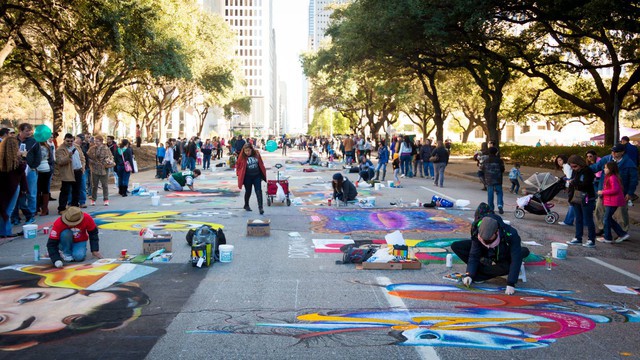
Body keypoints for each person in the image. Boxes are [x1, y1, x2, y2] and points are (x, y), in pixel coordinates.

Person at [451, 213, 529, 295]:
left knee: (512, 263)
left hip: (502, 254)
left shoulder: (511, 234)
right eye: (484, 240)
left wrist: (511, 283)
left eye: (489, 241)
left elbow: (515, 259)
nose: (488, 243)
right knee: (456, 246)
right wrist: (470, 274)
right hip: (485, 251)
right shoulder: (476, 229)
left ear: (497, 232)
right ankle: (478, 272)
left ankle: (479, 275)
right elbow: (474, 255)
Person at [590, 143, 638, 238]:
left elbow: (633, 179)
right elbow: (596, 167)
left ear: (622, 152)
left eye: (616, 152)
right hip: (604, 191)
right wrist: (584, 169)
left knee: (621, 213)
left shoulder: (629, 163)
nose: (613, 153)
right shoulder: (606, 159)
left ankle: (623, 231)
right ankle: (602, 227)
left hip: (620, 193)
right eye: (612, 151)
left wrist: (630, 192)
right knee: (599, 210)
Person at [12, 123, 40, 225]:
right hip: (17, 170)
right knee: (17, 193)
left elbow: (38, 156)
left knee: (31, 193)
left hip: (30, 170)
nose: (29, 133)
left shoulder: (33, 142)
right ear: (20, 131)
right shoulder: (14, 141)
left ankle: (31, 214)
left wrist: (33, 166)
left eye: (30, 131)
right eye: (26, 131)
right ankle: (15, 216)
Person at [566, 154, 597, 248]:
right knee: (578, 218)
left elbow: (586, 184)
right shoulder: (575, 172)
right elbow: (573, 183)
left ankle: (591, 239)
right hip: (577, 196)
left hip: (587, 196)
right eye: (571, 167)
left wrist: (574, 182)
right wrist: (570, 197)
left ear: (580, 164)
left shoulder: (588, 171)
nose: (573, 168)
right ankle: (578, 238)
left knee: (588, 219)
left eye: (575, 166)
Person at [597, 161, 630, 244]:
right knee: (608, 218)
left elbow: (615, 190)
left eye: (606, 168)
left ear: (611, 169)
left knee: (606, 218)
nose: (604, 169)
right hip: (611, 201)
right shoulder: (610, 177)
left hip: (613, 201)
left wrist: (603, 192)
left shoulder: (612, 177)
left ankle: (608, 237)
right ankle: (622, 234)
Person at [0, 137, 27, 238]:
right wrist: (23, 157)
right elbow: (22, 170)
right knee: (8, 210)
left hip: (2, 187)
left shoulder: (2, 159)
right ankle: (6, 232)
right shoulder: (16, 161)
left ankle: (3, 231)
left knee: (2, 209)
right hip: (13, 187)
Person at [55, 133, 85, 214]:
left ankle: (74, 207)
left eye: (71, 141)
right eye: (68, 141)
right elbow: (60, 161)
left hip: (78, 171)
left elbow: (82, 157)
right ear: (64, 140)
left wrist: (82, 167)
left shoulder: (77, 147)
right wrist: (69, 156)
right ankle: (61, 208)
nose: (70, 142)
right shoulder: (60, 149)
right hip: (67, 172)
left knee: (76, 190)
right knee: (65, 191)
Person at [236, 143, 267, 214]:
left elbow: (261, 163)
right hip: (247, 177)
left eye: (248, 151)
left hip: (257, 176)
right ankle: (246, 205)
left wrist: (262, 174)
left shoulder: (256, 153)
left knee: (258, 191)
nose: (247, 152)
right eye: (245, 151)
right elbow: (238, 165)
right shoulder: (242, 156)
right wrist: (238, 174)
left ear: (251, 149)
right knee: (248, 191)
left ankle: (260, 207)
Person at [86, 135, 114, 206]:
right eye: (95, 141)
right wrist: (90, 161)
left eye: (97, 141)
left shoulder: (106, 148)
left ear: (101, 141)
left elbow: (111, 157)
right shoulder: (92, 148)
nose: (95, 142)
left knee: (105, 185)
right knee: (94, 185)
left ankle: (106, 199)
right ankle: (93, 199)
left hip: (103, 168)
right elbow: (87, 156)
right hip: (94, 168)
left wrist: (109, 161)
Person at [481, 147, 505, 214]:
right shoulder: (499, 160)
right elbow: (502, 169)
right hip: (498, 179)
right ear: (496, 152)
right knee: (499, 192)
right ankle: (500, 205)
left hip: (489, 180)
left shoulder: (485, 161)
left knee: (490, 194)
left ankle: (491, 208)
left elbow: (482, 169)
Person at [35, 139, 54, 215]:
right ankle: (44, 208)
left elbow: (38, 158)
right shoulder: (48, 147)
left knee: (38, 189)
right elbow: (51, 159)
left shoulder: (39, 147)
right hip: (47, 168)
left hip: (40, 169)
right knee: (45, 189)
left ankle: (38, 208)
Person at [555, 154, 574, 226]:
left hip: (571, 187)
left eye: (560, 160)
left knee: (572, 204)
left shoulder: (566, 166)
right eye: (558, 161)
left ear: (564, 160)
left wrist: (566, 187)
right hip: (573, 186)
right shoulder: (566, 166)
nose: (559, 162)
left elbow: (569, 178)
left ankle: (568, 221)